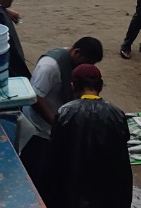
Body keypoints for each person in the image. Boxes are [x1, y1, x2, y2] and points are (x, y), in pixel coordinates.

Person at [18, 37, 105, 198]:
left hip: (55, 125)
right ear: (76, 52)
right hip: (38, 128)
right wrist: (56, 123)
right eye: (86, 62)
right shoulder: (49, 67)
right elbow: (35, 98)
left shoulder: (71, 61)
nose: (86, 67)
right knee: (36, 170)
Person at [44, 64, 133, 208]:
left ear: (73, 86)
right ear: (101, 85)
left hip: (72, 191)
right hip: (107, 192)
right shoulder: (116, 113)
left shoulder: (65, 112)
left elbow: (54, 159)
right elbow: (121, 163)